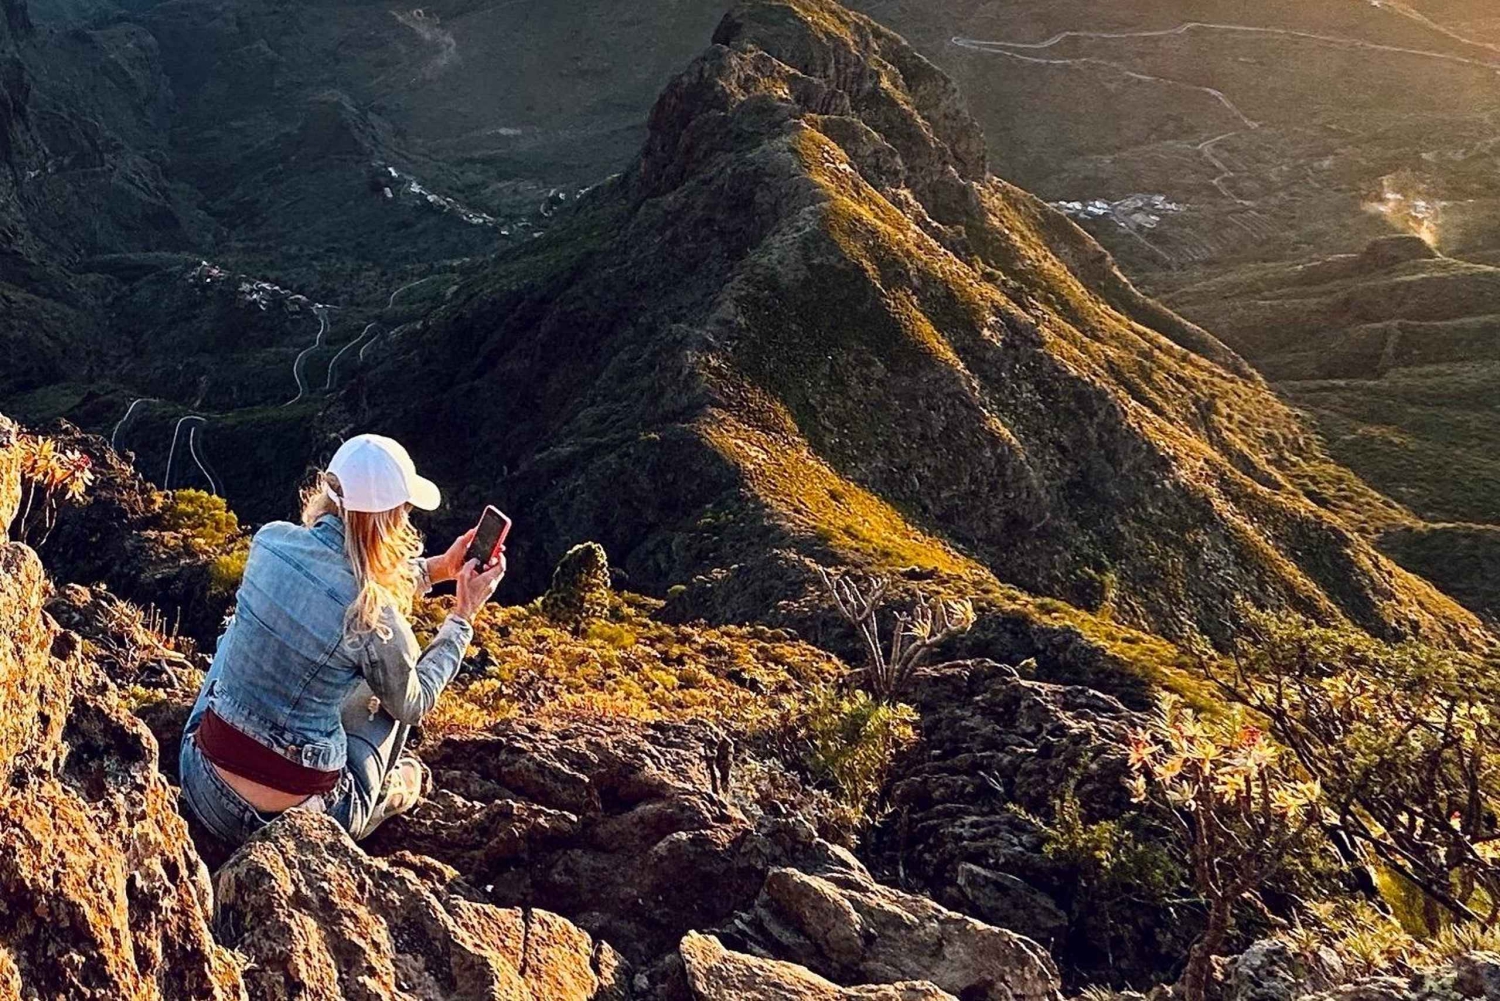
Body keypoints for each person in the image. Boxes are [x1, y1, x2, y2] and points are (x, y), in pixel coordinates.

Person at [179, 434, 505, 846]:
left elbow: (339, 578)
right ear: (391, 521)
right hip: (300, 829)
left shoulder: (270, 543)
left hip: (202, 783)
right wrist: (462, 617)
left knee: (235, 635)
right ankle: (394, 789)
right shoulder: (374, 615)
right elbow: (414, 704)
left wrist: (440, 569)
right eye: (404, 512)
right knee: (393, 692)